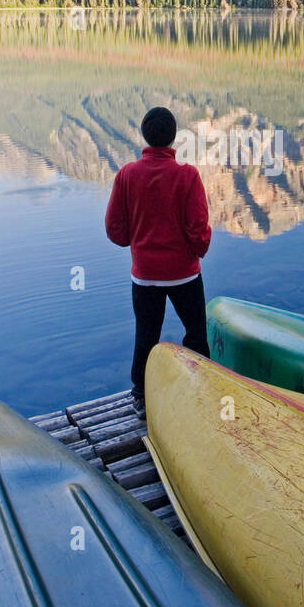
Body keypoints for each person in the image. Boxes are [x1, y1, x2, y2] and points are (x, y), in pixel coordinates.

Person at [105, 107, 212, 417]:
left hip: (145, 275)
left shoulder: (127, 174)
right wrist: (197, 250)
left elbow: (114, 228)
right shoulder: (187, 175)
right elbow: (198, 228)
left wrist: (136, 243)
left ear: (145, 136)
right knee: (195, 332)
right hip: (184, 274)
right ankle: (199, 385)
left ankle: (140, 394)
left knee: (146, 334)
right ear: (173, 139)